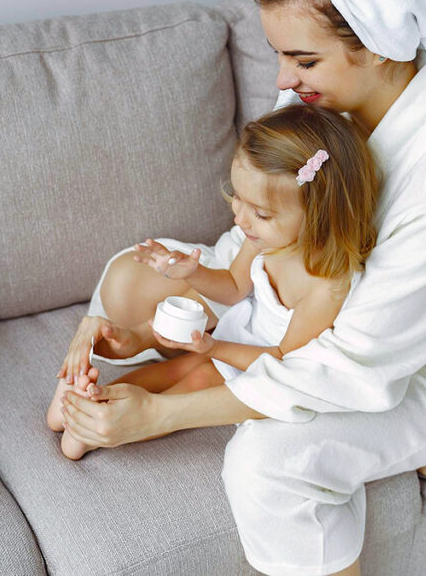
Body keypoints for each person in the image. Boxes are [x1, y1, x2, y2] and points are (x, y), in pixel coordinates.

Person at [60, 0, 426, 576]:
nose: (282, 79)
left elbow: (348, 364)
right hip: (301, 296)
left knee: (266, 464)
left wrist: (161, 416)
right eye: (279, 55)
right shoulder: (322, 111)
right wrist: (109, 317)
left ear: (376, 45)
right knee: (139, 271)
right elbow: (252, 245)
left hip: (422, 361)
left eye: (301, 57)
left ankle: (421, 438)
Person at [46, 103, 381, 460]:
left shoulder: (326, 286)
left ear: (321, 215)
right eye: (238, 198)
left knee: (198, 380)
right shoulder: (267, 241)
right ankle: (86, 403)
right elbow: (233, 288)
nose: (240, 218)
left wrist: (214, 350)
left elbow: (282, 359)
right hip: (228, 337)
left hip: (252, 364)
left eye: (261, 213)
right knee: (173, 368)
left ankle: (96, 429)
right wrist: (192, 273)